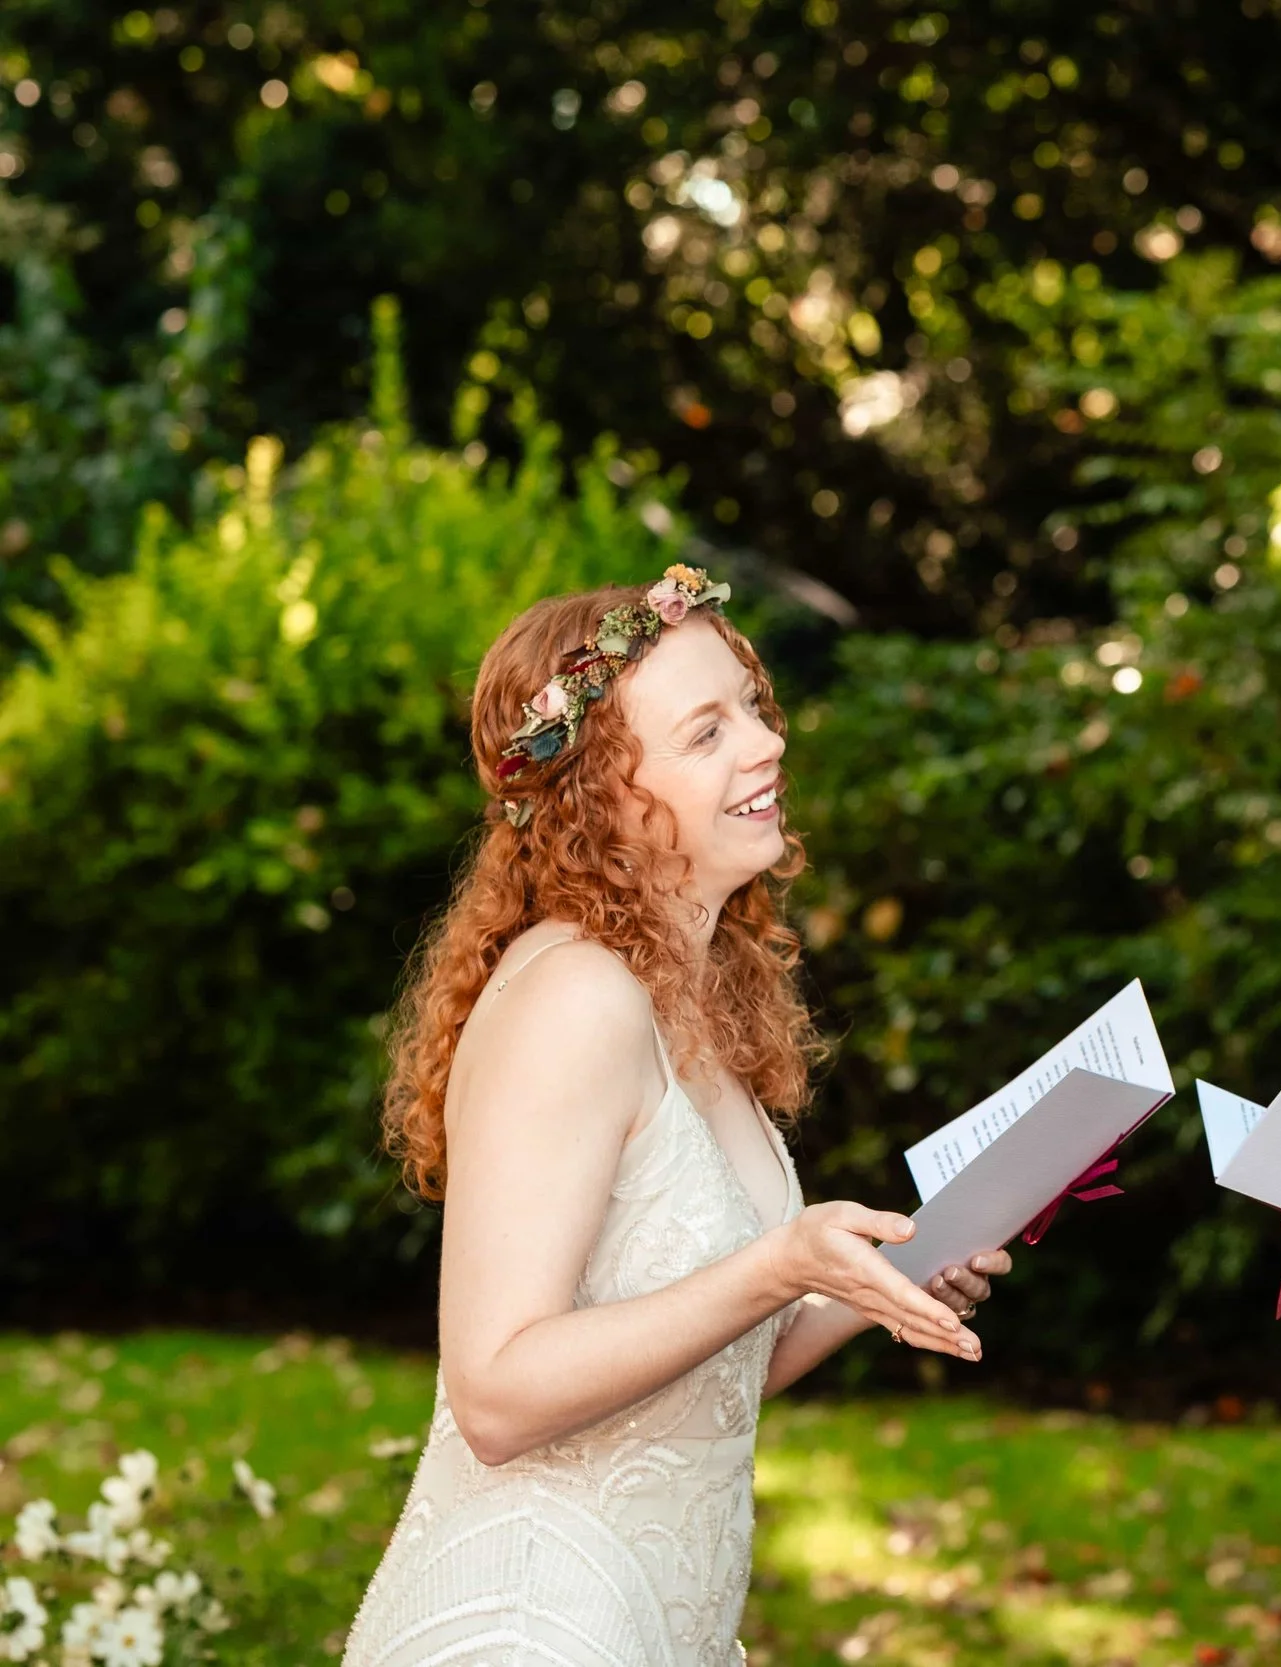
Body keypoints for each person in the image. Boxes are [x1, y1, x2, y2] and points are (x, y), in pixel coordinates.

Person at [345, 566, 1008, 1666]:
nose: (766, 744)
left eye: (751, 704)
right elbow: (497, 1390)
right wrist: (777, 1262)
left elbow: (707, 1371)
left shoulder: (684, 998)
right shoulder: (575, 995)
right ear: (603, 792)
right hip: (534, 1620)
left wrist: (878, 1277)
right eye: (706, 731)